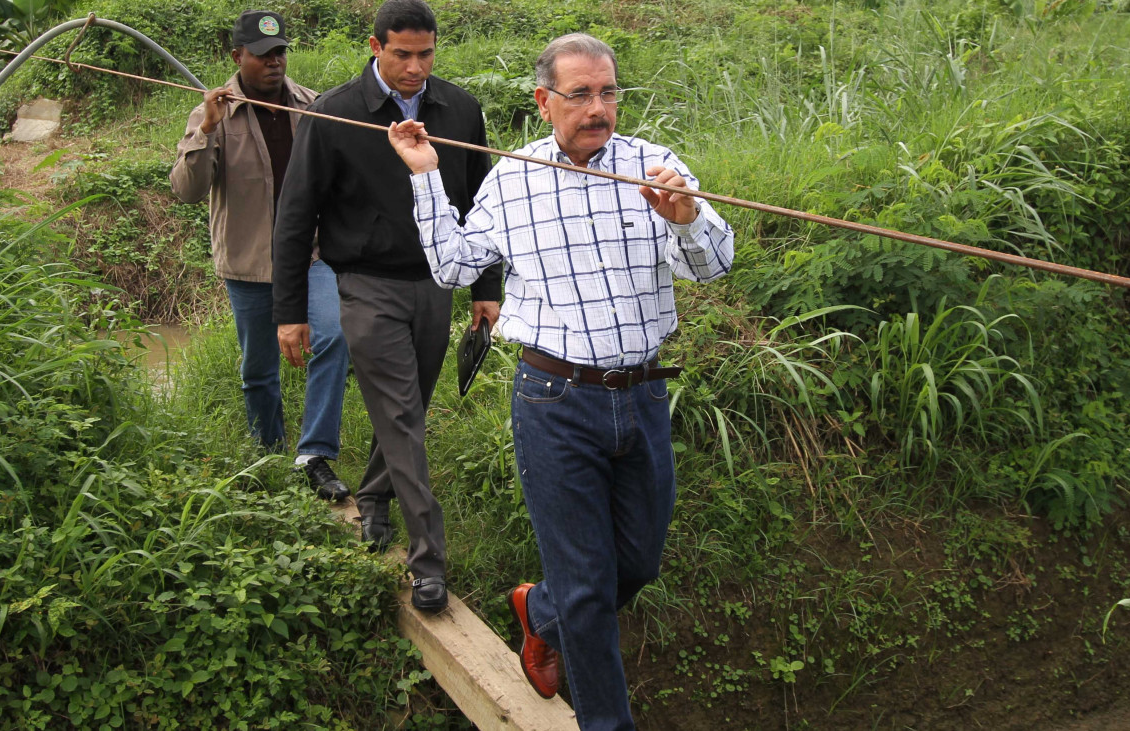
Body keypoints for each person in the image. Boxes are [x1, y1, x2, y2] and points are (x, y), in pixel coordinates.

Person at [387, 32, 734, 730]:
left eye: (607, 92)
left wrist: (689, 218)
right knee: (586, 588)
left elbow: (714, 266)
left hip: (642, 393)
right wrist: (425, 173)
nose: (597, 107)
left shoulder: (655, 167)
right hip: (554, 401)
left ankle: (538, 608)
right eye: (580, 95)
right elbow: (455, 268)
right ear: (545, 102)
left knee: (637, 562)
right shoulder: (512, 178)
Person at [271, 0, 501, 613]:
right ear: (375, 47)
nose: (415, 66)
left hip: (437, 283)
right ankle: (429, 559)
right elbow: (295, 216)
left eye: (426, 53)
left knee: (409, 406)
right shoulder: (335, 115)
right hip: (366, 284)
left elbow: (483, 204)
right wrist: (288, 309)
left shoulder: (459, 109)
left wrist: (485, 288)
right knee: (403, 417)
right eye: (402, 53)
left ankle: (373, 497)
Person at [169, 11, 352, 501]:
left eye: (280, 53)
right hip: (249, 262)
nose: (275, 62)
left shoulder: (313, 106)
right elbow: (187, 191)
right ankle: (267, 452)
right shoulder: (215, 113)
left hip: (312, 256)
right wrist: (205, 128)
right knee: (259, 366)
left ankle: (314, 455)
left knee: (333, 336)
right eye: (263, 54)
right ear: (237, 56)